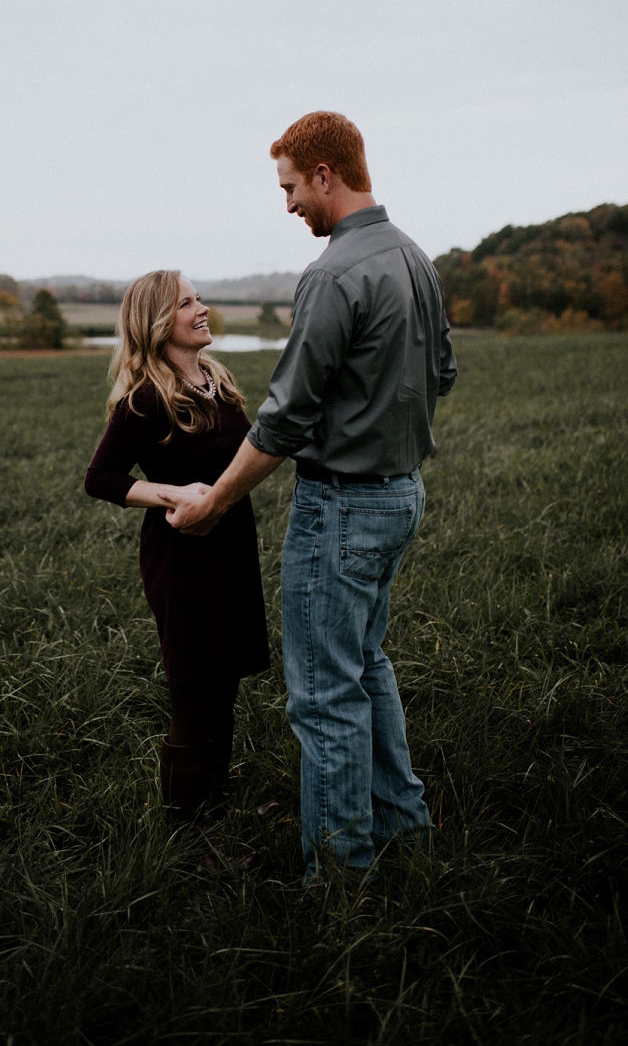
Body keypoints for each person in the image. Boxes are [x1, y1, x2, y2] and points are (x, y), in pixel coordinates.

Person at [162, 111, 457, 880]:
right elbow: (444, 372)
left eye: (291, 186)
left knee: (325, 694)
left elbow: (284, 420)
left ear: (325, 175)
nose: (288, 203)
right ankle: (406, 829)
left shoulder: (332, 274)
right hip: (403, 493)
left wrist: (216, 501)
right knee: (367, 665)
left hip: (344, 509)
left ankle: (339, 876)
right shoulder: (417, 259)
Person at [84, 269, 270, 822]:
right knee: (195, 689)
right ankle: (186, 832)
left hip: (232, 548)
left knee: (226, 680)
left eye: (199, 298)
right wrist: (173, 493)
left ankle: (217, 809)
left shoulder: (216, 378)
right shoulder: (146, 399)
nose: (202, 308)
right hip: (184, 558)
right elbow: (101, 477)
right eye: (187, 304)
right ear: (160, 323)